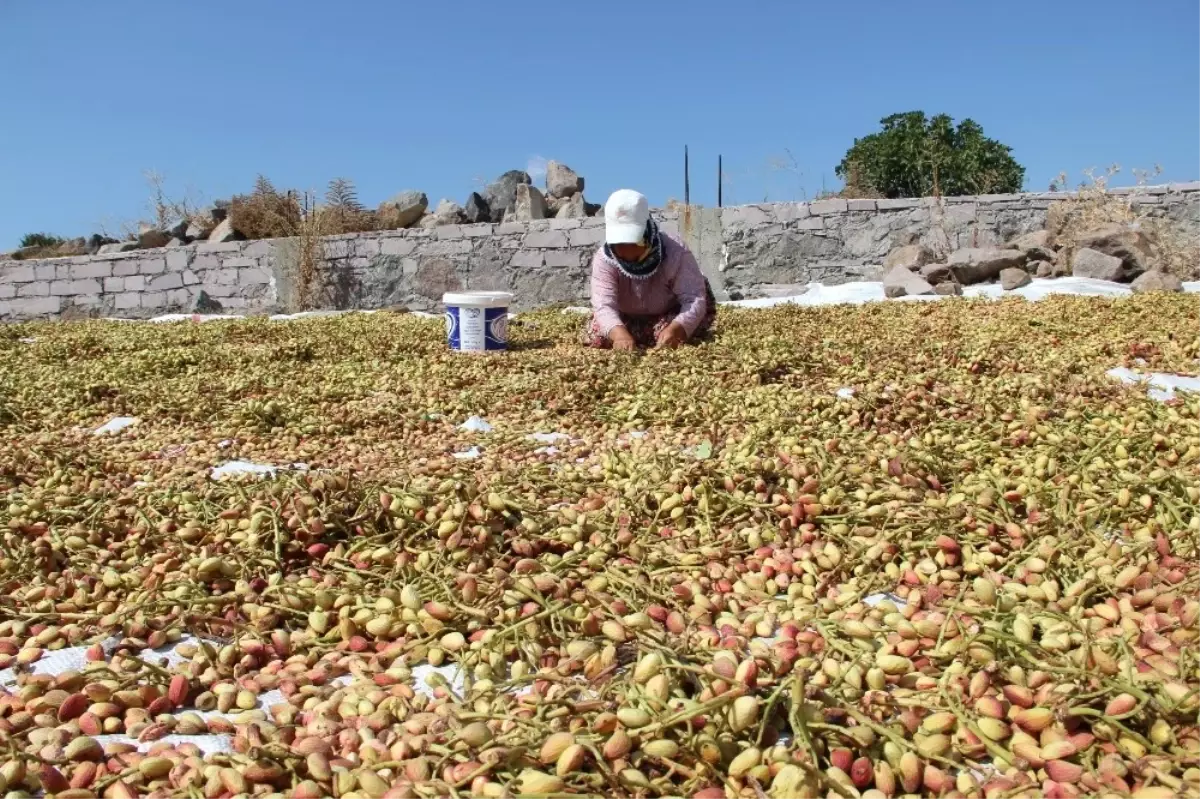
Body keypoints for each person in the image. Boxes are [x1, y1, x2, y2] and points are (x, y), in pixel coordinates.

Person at [582, 189, 716, 351]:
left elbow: (693, 298)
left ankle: (661, 331)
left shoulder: (674, 251)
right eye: (619, 244)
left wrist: (676, 328)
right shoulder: (604, 260)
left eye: (631, 242)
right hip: (627, 315)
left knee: (669, 336)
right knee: (598, 335)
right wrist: (619, 335)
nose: (625, 253)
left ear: (645, 234)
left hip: (669, 310)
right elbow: (604, 305)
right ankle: (634, 332)